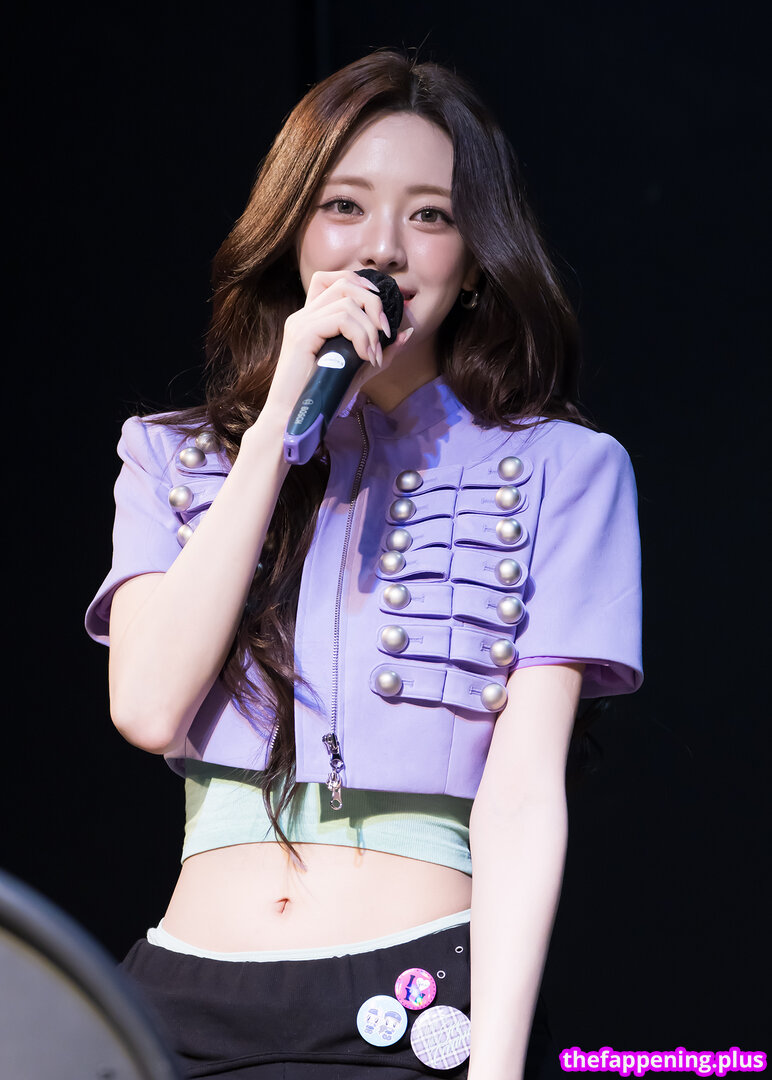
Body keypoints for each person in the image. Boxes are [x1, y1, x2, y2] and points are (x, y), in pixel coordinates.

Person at [86, 50, 642, 1080]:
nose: (382, 247)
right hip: (178, 1002)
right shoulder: (171, 456)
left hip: (411, 1002)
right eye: (343, 206)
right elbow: (149, 708)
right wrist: (273, 433)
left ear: (475, 259)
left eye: (430, 215)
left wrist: (498, 1067)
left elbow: (524, 795)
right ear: (293, 230)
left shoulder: (565, 470)